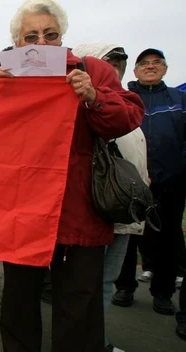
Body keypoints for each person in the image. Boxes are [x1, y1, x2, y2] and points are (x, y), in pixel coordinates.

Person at [0, 0, 144, 351]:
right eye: (31, 37)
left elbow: (128, 117)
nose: (41, 43)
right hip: (23, 209)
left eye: (50, 34)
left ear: (62, 37)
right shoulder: (6, 73)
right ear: (17, 43)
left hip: (80, 210)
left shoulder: (92, 70)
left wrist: (92, 96)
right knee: (18, 301)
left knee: (80, 303)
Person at [73, 42, 149, 352]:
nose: (113, 68)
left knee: (105, 281)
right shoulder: (84, 101)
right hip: (94, 206)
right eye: (107, 61)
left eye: (119, 62)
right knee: (83, 285)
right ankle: (88, 342)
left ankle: (94, 341)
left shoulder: (123, 102)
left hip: (123, 206)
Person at [113, 48, 186, 315]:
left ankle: (163, 292)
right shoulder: (126, 99)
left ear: (165, 69)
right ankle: (124, 286)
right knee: (128, 235)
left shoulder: (180, 99)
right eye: (144, 63)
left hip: (171, 182)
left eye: (157, 63)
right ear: (135, 71)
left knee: (167, 237)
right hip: (131, 182)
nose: (150, 66)